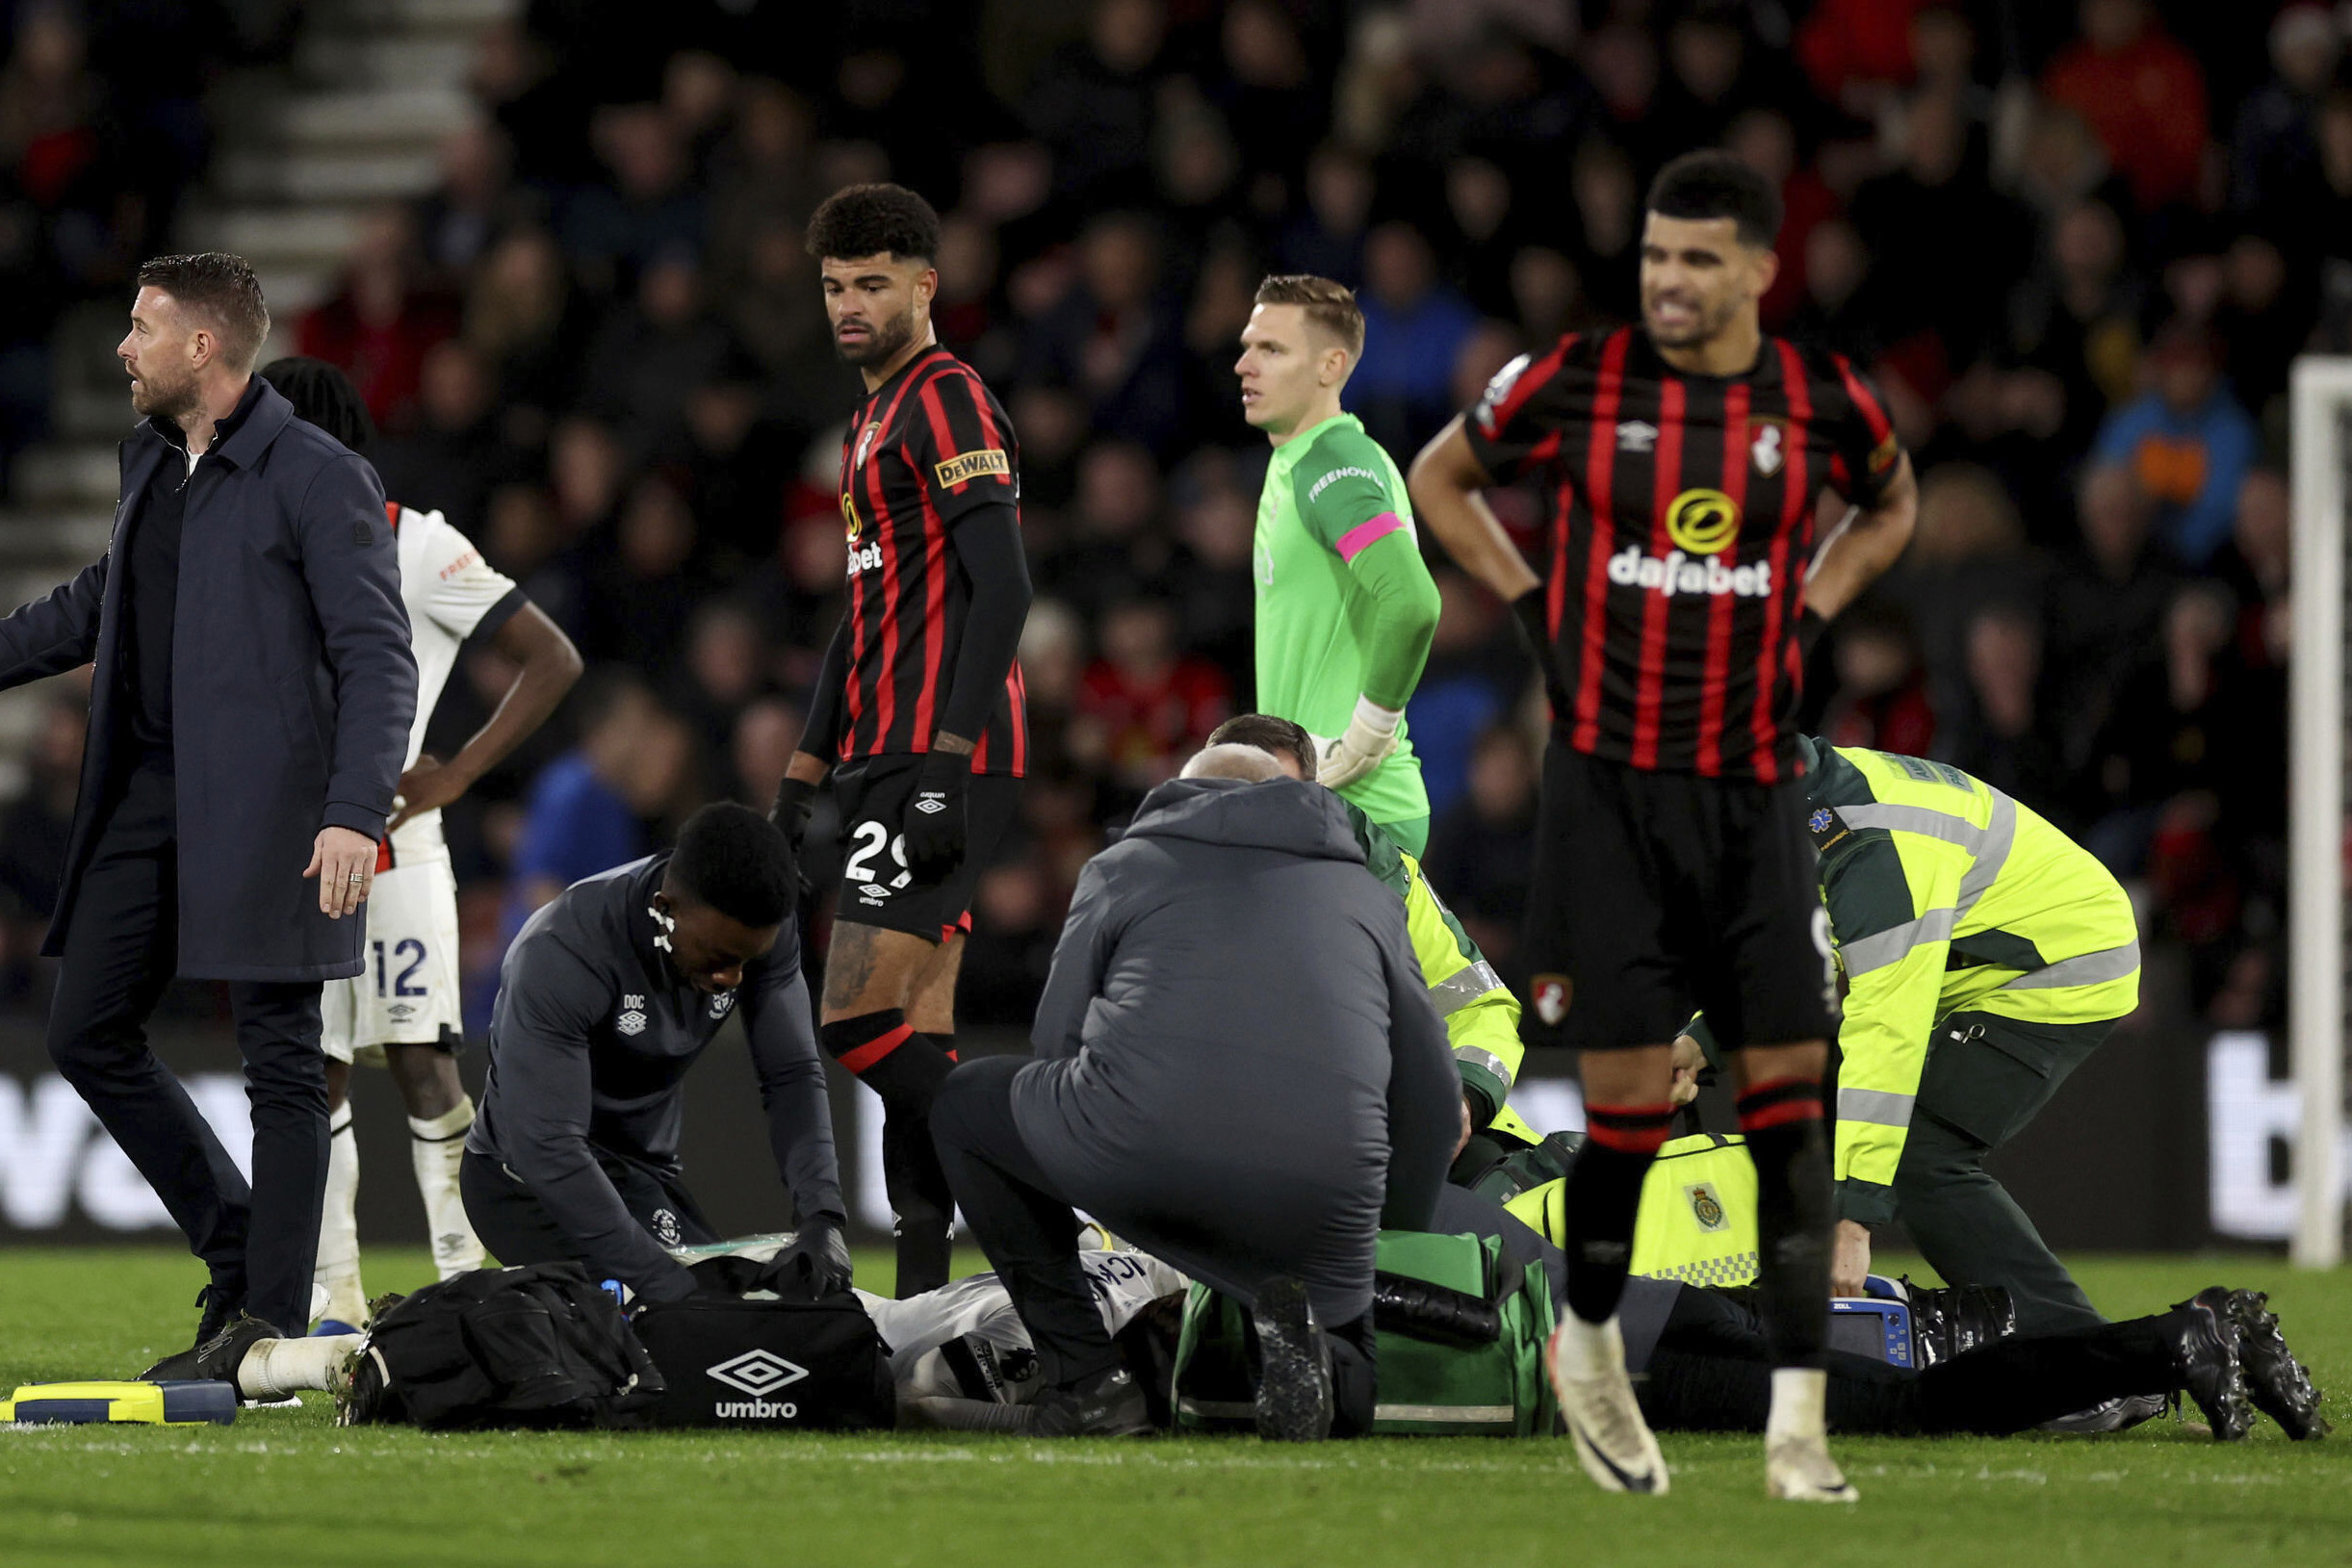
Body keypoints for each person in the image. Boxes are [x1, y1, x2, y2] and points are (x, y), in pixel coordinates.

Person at [1408, 150, 1919, 1501]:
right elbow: (1438, 477)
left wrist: (1806, 610)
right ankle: (1587, 1351)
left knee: (1791, 1110)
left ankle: (1795, 1423)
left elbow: (1892, 500)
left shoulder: (1814, 400)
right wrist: (1529, 608)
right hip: (1605, 795)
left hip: (1751, 791)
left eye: (1695, 260)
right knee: (1625, 1113)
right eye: (1652, 258)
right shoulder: (1574, 378)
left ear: (1757, 267)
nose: (1668, 283)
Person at [0, 254, 417, 1350]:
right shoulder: (152, 460)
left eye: (141, 328)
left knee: (281, 1062)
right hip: (147, 797)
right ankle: (236, 1243)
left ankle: (269, 1320)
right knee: (86, 1030)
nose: (123, 350)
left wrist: (352, 810)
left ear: (203, 347)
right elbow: (103, 600)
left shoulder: (317, 475)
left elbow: (379, 654)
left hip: (279, 812)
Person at [929, 748, 1460, 1439]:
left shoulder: (1123, 867)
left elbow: (1055, 1042)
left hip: (1142, 1149)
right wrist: (1381, 1237)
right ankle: (1330, 1358)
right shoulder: (1369, 896)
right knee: (1349, 1392)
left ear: (1179, 793)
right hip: (1321, 1189)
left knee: (967, 1101)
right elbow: (1430, 1096)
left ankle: (1090, 1384)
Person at [259, 356, 584, 1332]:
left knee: (421, 1058)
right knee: (312, 1072)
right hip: (297, 850)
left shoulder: (420, 546)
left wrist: (457, 773)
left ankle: (461, 1274)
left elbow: (552, 657)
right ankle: (338, 1304)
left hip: (398, 846)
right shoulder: (255, 549)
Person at [769, 183, 1031, 1298]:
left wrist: (944, 765)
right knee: (919, 1029)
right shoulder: (868, 421)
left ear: (926, 286)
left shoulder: (947, 400)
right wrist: (804, 765)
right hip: (884, 754)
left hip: (939, 757)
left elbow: (1006, 592)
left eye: (872, 283)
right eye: (834, 287)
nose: (849, 305)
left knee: (857, 1017)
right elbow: (865, 614)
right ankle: (924, 1297)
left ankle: (1044, 1166)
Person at [1694, 738, 2141, 1335]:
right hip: (2001, 949)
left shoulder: (1868, 852)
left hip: (2064, 964)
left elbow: (1887, 1032)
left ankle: (2080, 1360)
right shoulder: (1809, 796)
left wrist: (1853, 1223)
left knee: (1916, 1152)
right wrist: (1705, 1040)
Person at [459, 803, 848, 1306]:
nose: (730, 980)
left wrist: (822, 1218)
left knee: (758, 1318)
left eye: (745, 962)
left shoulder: (754, 927)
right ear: (666, 909)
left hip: (640, 1176)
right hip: (525, 1187)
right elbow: (548, 1147)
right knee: (682, 1337)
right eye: (718, 959)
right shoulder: (565, 953)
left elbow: (791, 1073)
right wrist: (668, 1288)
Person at [1202, 712, 1537, 1152]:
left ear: (1318, 799)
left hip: (1409, 1149)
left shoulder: (1388, 882)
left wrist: (1463, 1099)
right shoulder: (1158, 905)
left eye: (1284, 798)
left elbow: (1478, 1007)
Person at [1236, 274, 1440, 854]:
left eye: (1271, 349)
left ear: (1331, 366)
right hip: (1318, 803)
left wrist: (1363, 741)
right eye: (1249, 345)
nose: (1244, 364)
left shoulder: (1334, 463)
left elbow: (1413, 602)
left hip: (1357, 808)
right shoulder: (1295, 459)